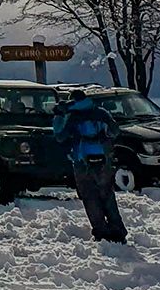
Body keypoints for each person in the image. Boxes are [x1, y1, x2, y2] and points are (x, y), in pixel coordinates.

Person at [53, 89, 128, 244]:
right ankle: (118, 230)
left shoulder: (72, 116)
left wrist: (58, 116)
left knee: (90, 196)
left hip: (82, 161)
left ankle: (101, 231)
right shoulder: (100, 112)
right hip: (103, 160)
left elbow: (60, 137)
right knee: (107, 194)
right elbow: (115, 131)